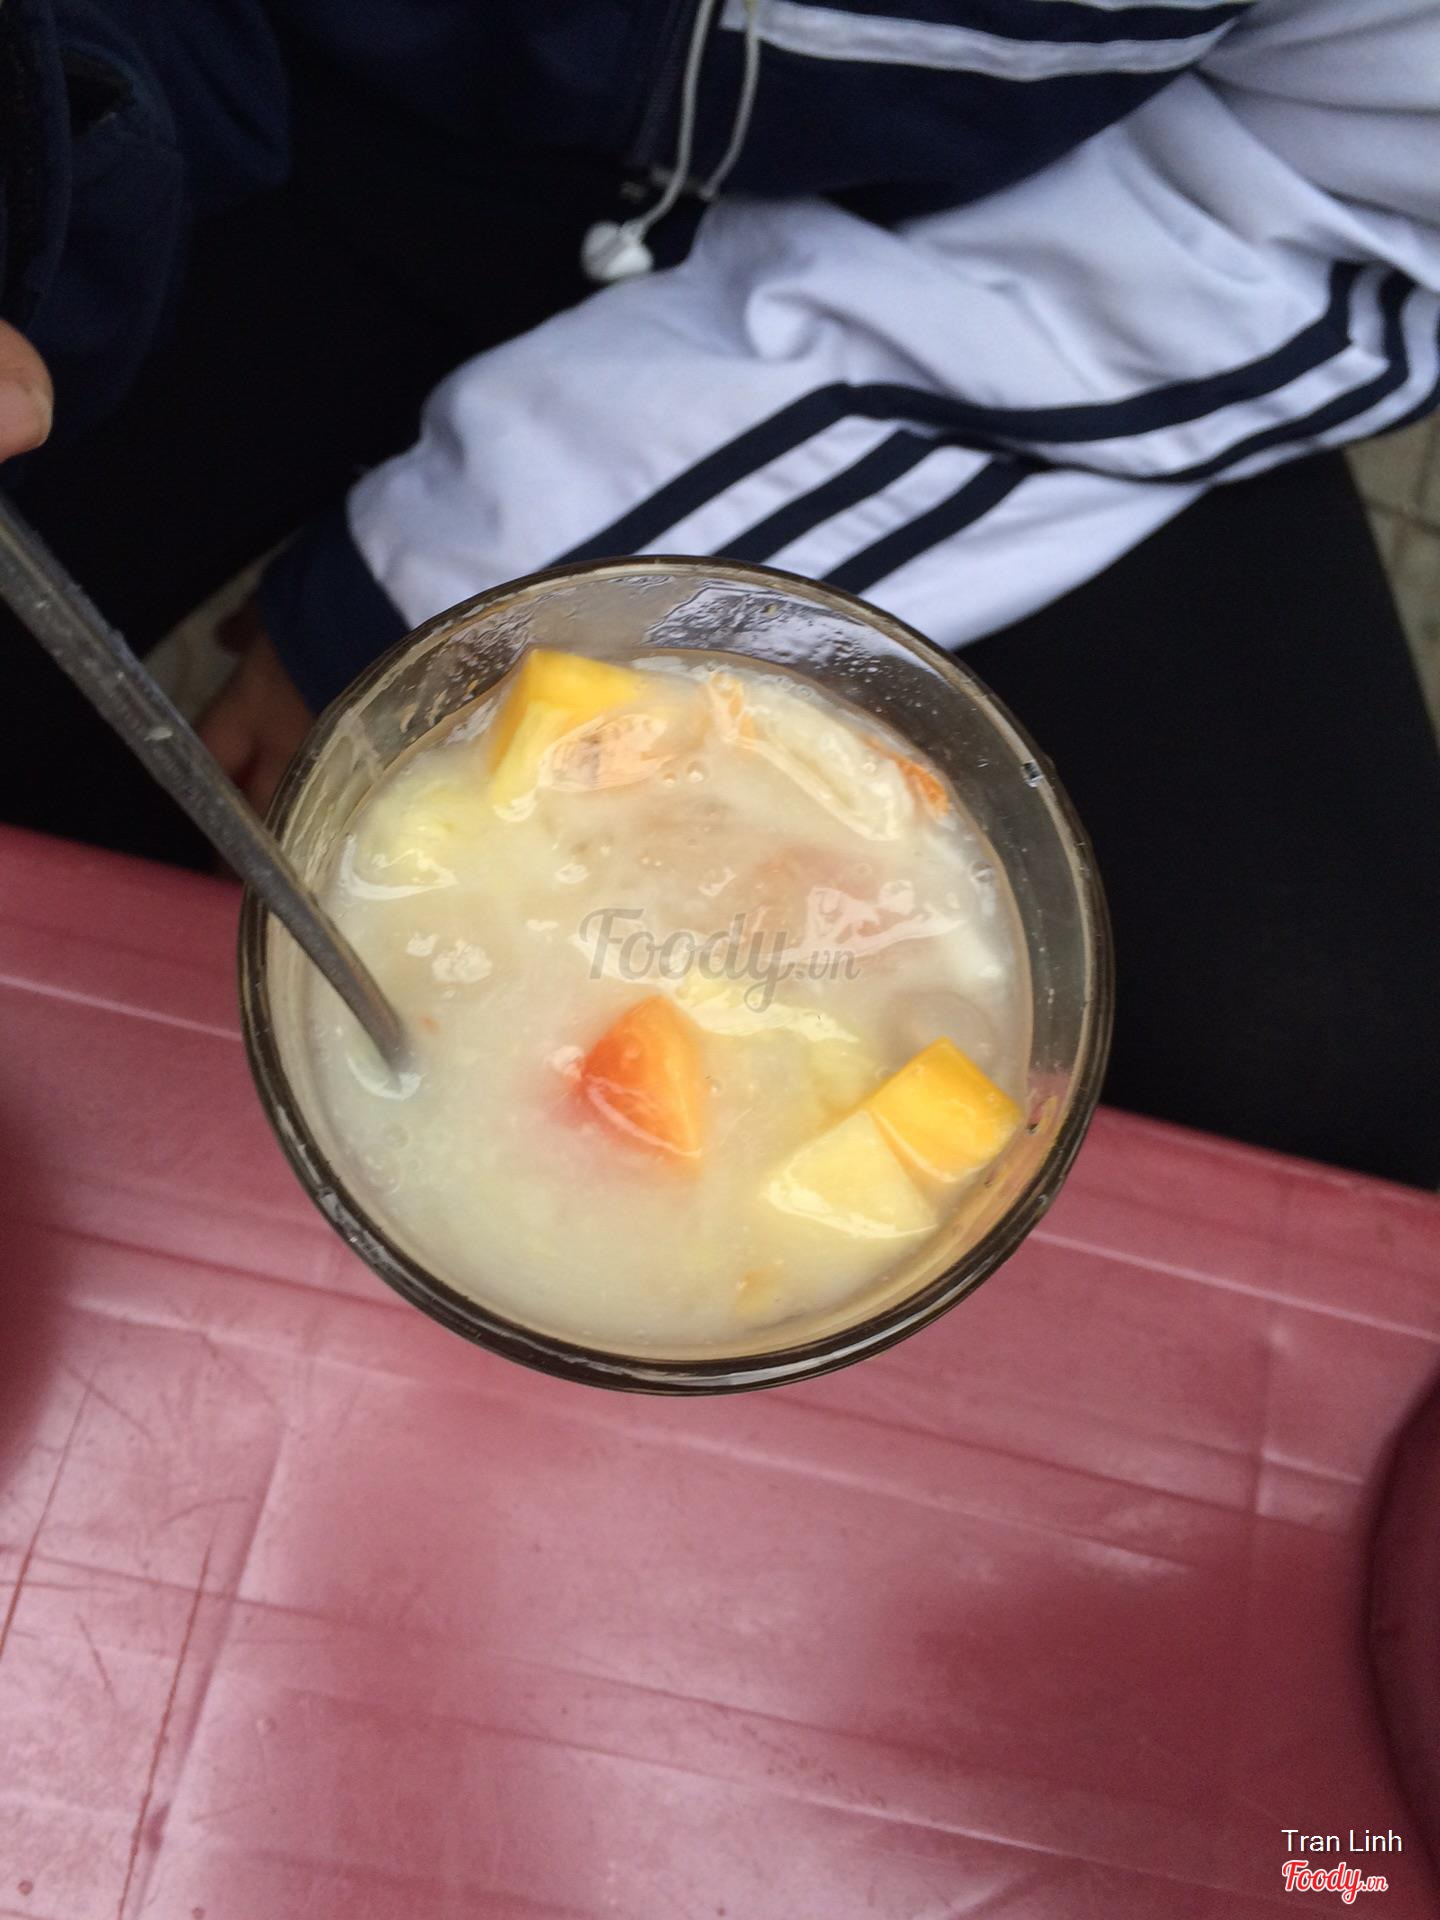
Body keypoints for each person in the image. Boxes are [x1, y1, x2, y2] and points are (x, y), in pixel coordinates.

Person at [2, 0, 1438, 1184]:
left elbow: (1340, 196)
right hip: (281, 92)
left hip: (1026, 244)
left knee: (1329, 1057)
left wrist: (477, 575)